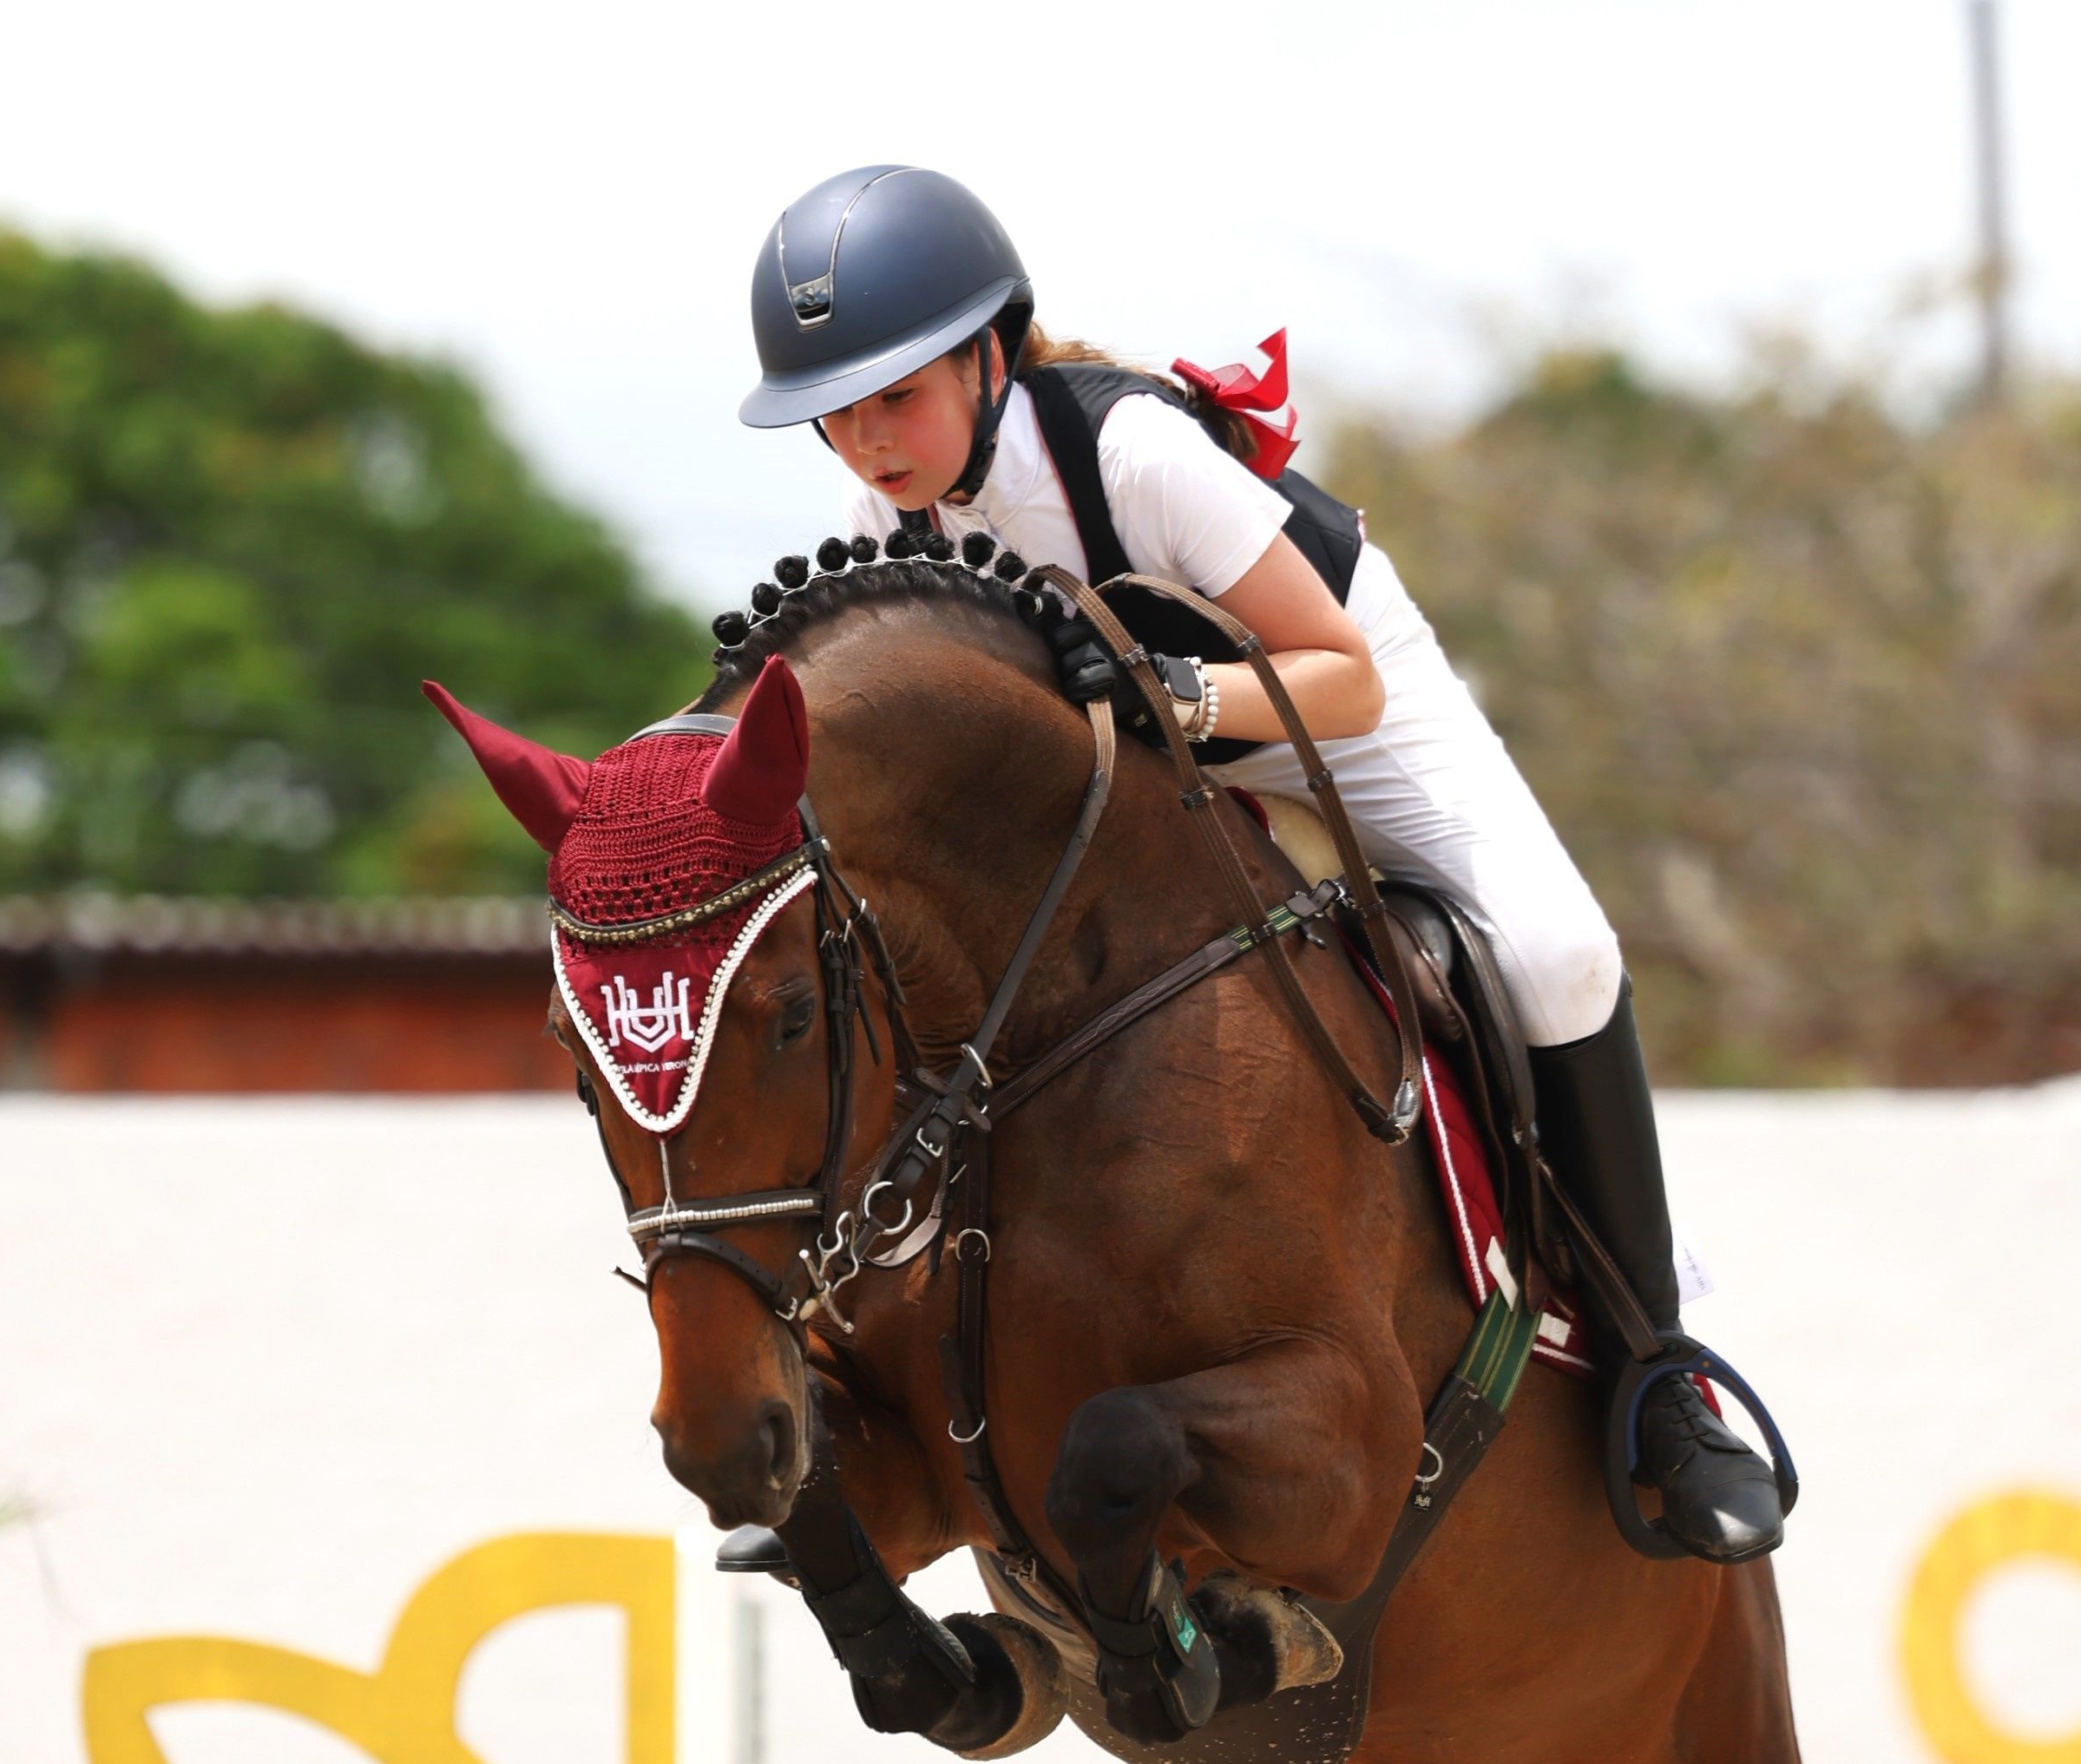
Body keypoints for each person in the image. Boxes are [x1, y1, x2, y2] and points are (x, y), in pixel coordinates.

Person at [738, 162, 1786, 1567]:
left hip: (1330, 706)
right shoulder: (897, 525)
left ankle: (1663, 1373)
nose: (867, 444)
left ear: (991, 354)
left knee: (1557, 955)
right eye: (835, 418)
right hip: (1155, 757)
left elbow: (1335, 681)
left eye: (894, 399)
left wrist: (1169, 697)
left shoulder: (1131, 456)